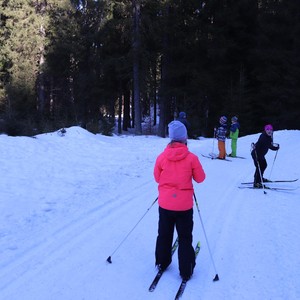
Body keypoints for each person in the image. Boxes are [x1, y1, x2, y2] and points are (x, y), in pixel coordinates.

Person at [153, 120, 206, 281]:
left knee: (164, 234)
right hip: (183, 207)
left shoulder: (162, 157)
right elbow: (200, 178)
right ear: (184, 138)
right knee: (184, 237)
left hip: (165, 204)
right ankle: (186, 270)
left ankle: (161, 262)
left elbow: (157, 178)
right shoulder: (191, 158)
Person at [251, 124, 280, 188]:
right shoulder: (264, 137)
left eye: (271, 130)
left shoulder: (269, 136)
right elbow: (268, 145)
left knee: (264, 165)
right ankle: (256, 182)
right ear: (265, 130)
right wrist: (275, 148)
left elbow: (269, 144)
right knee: (259, 167)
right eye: (268, 130)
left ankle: (260, 178)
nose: (269, 131)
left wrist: (275, 147)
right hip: (257, 154)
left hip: (261, 154)